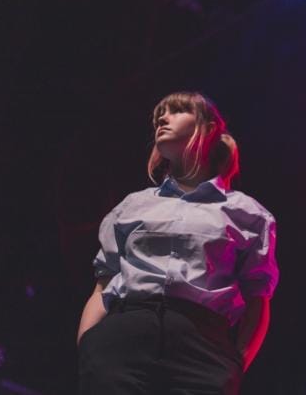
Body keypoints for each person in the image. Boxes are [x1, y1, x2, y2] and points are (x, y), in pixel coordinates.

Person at [76, 91, 279, 395]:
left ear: (210, 128)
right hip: (122, 340)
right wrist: (88, 346)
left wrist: (234, 366)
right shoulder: (132, 205)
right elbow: (103, 286)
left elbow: (257, 300)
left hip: (203, 351)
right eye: (159, 113)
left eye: (177, 110)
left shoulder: (248, 213)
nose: (161, 118)